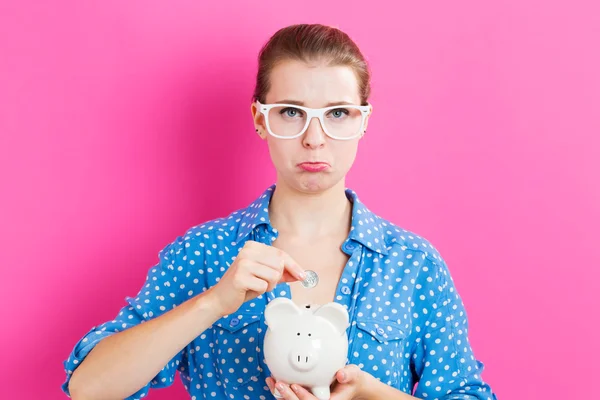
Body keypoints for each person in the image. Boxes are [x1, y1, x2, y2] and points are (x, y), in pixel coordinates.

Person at [62, 24, 497, 400]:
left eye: (338, 113)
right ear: (258, 117)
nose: (314, 138)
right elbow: (89, 387)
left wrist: (372, 394)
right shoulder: (203, 253)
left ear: (363, 121)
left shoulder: (412, 264)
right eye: (291, 112)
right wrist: (214, 302)